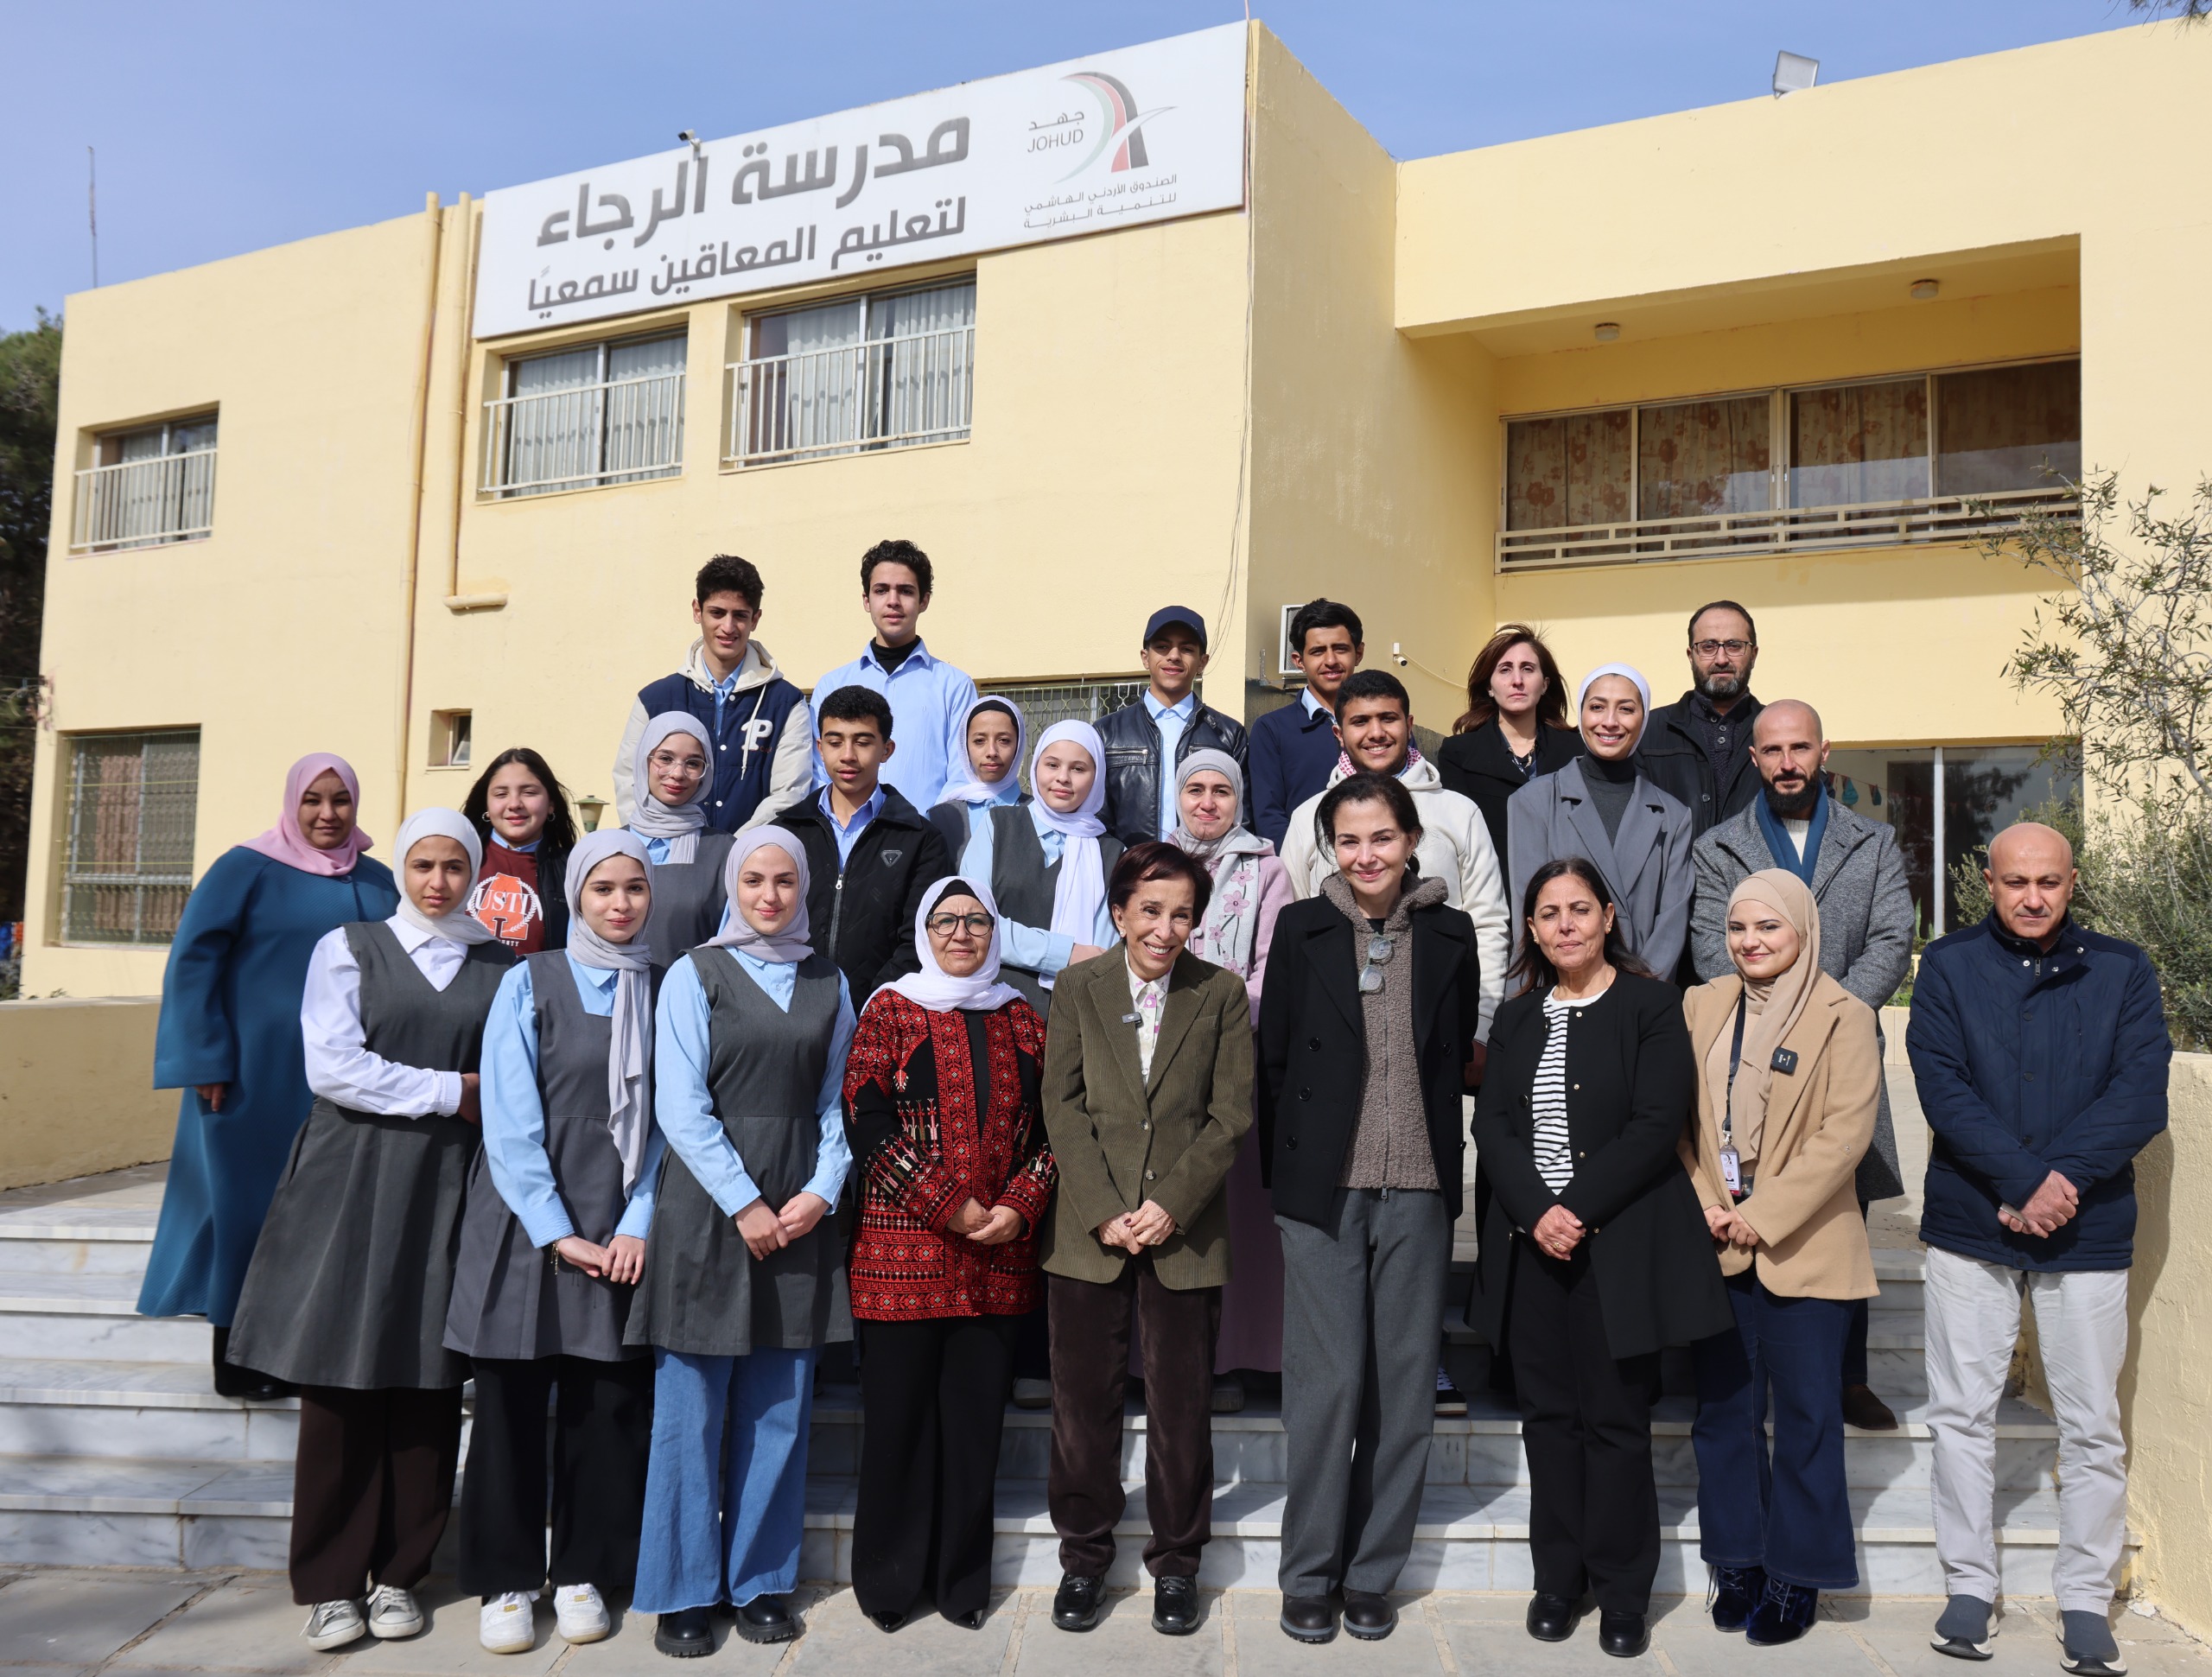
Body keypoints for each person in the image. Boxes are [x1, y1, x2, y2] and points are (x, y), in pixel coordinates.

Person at [225, 808, 515, 1654]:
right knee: (341, 1375)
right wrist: (446, 1092)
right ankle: (328, 1583)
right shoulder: (349, 950)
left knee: (427, 1377)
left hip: (451, 1186)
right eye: (423, 865)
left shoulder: (501, 965)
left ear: (473, 875)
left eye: (454, 868)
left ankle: (399, 1575)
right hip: (354, 1180)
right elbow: (334, 1066)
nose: (438, 882)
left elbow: (505, 1075)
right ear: (400, 870)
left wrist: (468, 1097)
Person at [1909, 823, 2169, 1676]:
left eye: (2047, 882)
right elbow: (1943, 1089)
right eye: (2015, 881)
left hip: (2088, 1230)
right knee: (1960, 1416)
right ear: (1989, 881)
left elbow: (2138, 1098)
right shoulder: (1945, 967)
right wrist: (2022, 1182)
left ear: (2071, 882)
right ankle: (1969, 1589)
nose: (2030, 896)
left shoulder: (2124, 970)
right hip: (1969, 1224)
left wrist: (2056, 1184)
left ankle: (2086, 1602)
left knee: (2092, 1425)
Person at [1471, 858, 1731, 1659]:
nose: (1565, 926)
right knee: (1549, 1420)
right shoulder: (1515, 1019)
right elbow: (1495, 1130)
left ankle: (1623, 1590)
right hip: (1532, 1250)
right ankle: (1559, 1580)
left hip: (1616, 1247)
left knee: (1616, 1422)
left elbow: (1656, 1124)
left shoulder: (1651, 1006)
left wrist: (1574, 1211)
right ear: (1533, 929)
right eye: (1548, 914)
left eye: (1579, 909)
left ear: (1609, 916)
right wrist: (1537, 1213)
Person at [1259, 772, 1483, 1646]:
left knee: (1401, 1389)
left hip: (1419, 1183)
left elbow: (1449, 1053)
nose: (1366, 857)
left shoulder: (1450, 934)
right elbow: (1275, 1059)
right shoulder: (1300, 927)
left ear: (1409, 840)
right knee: (1327, 1384)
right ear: (1330, 847)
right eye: (1348, 841)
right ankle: (1307, 1572)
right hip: (1323, 1187)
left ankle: (1371, 1574)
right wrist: (1291, 1178)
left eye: (1381, 839)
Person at [627, 828, 855, 1655]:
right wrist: (746, 1203)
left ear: (805, 889)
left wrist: (820, 1192)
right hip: (709, 1215)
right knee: (689, 1412)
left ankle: (760, 1581)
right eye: (754, 879)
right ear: (733, 884)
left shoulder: (831, 980)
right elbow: (680, 1107)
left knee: (779, 1412)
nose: (769, 894)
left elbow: (838, 1102)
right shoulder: (696, 972)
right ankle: (684, 1589)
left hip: (798, 1216)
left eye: (784, 881)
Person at [444, 831, 664, 1653]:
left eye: (634, 888)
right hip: (525, 1220)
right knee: (506, 1400)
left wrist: (637, 1218)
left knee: (603, 1404)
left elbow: (671, 1122)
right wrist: (557, 1230)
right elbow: (507, 1117)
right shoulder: (529, 981)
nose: (619, 903)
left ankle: (582, 1568)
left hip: (620, 1222)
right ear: (578, 892)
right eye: (603, 887)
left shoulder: (663, 986)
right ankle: (505, 1578)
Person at [1039, 843, 1254, 1639]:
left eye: (1182, 913)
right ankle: (1085, 1557)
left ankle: (1177, 1562)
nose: (1166, 928)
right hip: (1088, 1231)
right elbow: (1062, 1106)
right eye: (1151, 910)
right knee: (1082, 1404)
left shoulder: (1220, 993)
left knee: (1180, 1403)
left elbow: (1231, 1114)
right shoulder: (1078, 987)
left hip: (1184, 1229)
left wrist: (1169, 1203)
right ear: (1121, 911)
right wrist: (1101, 1207)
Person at [138, 753, 400, 1401]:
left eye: (340, 800)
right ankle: (236, 1358)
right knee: (245, 1211)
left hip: (337, 1079)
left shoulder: (378, 879)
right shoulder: (244, 868)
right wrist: (203, 1058)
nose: (327, 814)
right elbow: (193, 961)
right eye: (313, 800)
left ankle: (299, 1349)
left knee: (317, 1214)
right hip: (251, 1077)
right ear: (291, 802)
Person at [1691, 699, 1915, 1431]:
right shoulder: (1719, 847)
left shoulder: (1872, 841)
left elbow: (1891, 936)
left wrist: (1829, 1019)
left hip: (1839, 1056)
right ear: (1754, 758)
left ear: (1825, 751)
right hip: (1744, 1046)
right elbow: (1709, 943)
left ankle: (1848, 1376)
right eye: (1773, 749)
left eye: (1800, 747)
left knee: (1836, 1208)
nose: (1787, 761)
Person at [841, 877, 1056, 1633]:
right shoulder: (890, 1011)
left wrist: (1020, 1205)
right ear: (924, 930)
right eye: (946, 920)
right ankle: (891, 1585)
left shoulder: (1025, 1019)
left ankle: (961, 1584)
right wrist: (946, 1204)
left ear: (995, 930)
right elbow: (864, 1118)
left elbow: (1055, 1131)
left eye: (976, 920)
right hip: (901, 1259)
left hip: (996, 1262)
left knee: (973, 1433)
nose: (961, 933)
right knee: (897, 1429)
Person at [1681, 871, 1879, 1645]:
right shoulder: (1701, 1005)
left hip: (1806, 1242)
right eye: (1738, 929)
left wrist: (1760, 1215)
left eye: (1768, 928)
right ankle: (1739, 1562)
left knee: (1806, 1418)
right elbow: (1679, 1121)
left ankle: (1798, 1579)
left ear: (1801, 930)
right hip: (1715, 1235)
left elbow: (1844, 1136)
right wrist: (1706, 1201)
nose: (1750, 942)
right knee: (1725, 1415)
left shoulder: (1846, 1015)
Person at [1171, 751, 1294, 1413]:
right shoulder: (1150, 859)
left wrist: (1213, 1017)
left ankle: (1238, 1356)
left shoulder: (1265, 868)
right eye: (1195, 789)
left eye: (1222, 790)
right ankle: (1166, 1359)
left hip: (1235, 1056)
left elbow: (1274, 964)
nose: (1209, 802)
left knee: (1236, 1214)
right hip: (1155, 1061)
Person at [1506, 664, 1694, 981]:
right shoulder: (1532, 802)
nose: (1609, 721)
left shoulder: (1673, 817)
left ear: (1644, 719)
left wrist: (1636, 998)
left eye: (1626, 709)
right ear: (1581, 715)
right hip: (1558, 991)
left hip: (1640, 999)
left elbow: (1671, 927)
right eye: (1597, 707)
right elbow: (1530, 917)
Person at [762, 685, 950, 1000]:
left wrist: (873, 1004)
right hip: (787, 1006)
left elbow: (919, 939)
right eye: (835, 742)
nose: (847, 755)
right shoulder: (784, 833)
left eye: (863, 742)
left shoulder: (921, 839)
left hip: (881, 1015)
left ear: (887, 749)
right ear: (819, 748)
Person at [611, 554, 814, 834]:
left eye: (740, 615)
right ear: (697, 611)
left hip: (749, 867)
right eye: (717, 613)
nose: (728, 627)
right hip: (666, 864)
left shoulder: (786, 703)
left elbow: (789, 795)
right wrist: (660, 847)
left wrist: (732, 854)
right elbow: (630, 784)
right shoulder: (654, 700)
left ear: (755, 618)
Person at [957, 720, 1122, 1010]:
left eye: (1078, 769)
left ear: (1097, 778)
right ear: (1035, 768)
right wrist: (1065, 952)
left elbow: (1101, 954)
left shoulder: (1111, 851)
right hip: (992, 1006)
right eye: (1052, 765)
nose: (1063, 778)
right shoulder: (999, 825)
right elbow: (974, 921)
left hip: (1074, 1014)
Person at [810, 539, 978, 810]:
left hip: (926, 843)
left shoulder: (955, 686)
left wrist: (927, 837)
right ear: (867, 600)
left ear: (924, 600)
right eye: (881, 590)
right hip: (844, 842)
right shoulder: (832, 684)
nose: (893, 601)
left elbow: (961, 777)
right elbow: (818, 772)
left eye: (905, 591)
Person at [1437, 624, 1584, 879]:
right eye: (1505, 670)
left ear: (1545, 684)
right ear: (1490, 687)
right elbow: (1458, 840)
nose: (1517, 680)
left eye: (1528, 669)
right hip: (1491, 894)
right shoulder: (1458, 754)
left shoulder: (1577, 751)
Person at [1096, 605, 1250, 846]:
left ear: (1202, 662)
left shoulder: (1228, 734)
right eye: (1162, 647)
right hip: (1129, 874)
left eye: (1187, 649)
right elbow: (1095, 818)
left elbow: (1243, 819)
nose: (1174, 656)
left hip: (1205, 875)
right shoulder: (1106, 732)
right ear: (1145, 657)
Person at [1637, 600, 1766, 842]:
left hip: (1758, 879)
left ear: (1754, 654)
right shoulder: (1648, 731)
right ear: (1691, 654)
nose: (1721, 659)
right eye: (1708, 647)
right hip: (1673, 879)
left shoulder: (1779, 732)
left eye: (1734, 646)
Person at [625, 714, 734, 979]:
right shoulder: (611, 847)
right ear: (645, 760)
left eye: (693, 763)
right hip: (613, 1003)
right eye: (665, 758)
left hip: (695, 1003)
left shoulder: (724, 851)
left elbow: (733, 948)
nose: (677, 774)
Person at [1249, 599, 1363, 848]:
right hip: (1303, 874)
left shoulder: (1382, 725)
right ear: (1299, 661)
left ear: (1359, 652)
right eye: (1318, 651)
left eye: (1341, 648)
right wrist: (1299, 868)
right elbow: (1269, 817)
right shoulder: (1272, 730)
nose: (1330, 660)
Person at [463, 746, 579, 954]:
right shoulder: (459, 861)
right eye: (501, 794)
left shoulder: (574, 870)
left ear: (551, 803)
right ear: (486, 805)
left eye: (529, 792)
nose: (515, 804)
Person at [925, 695, 1027, 856]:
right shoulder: (941, 817)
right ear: (965, 746)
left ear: (1019, 744)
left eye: (1004, 740)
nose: (992, 752)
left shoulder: (1038, 813)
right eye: (980, 741)